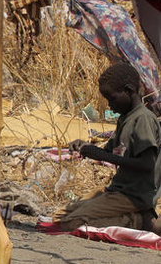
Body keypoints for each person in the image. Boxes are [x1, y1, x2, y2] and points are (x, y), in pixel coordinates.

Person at [54, 63, 161, 232]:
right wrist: (86, 147)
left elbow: (146, 164)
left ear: (128, 90)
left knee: (71, 223)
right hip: (118, 191)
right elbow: (111, 153)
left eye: (112, 98)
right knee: (59, 215)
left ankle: (139, 221)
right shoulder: (125, 118)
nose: (110, 105)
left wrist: (102, 156)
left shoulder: (143, 120)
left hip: (134, 196)